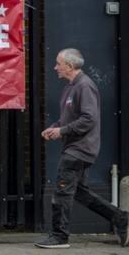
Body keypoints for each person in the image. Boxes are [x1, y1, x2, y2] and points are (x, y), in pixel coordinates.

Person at [35, 48, 129, 249]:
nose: (55, 67)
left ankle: (59, 237)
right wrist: (55, 128)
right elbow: (68, 118)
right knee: (79, 192)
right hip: (75, 147)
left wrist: (63, 131)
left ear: (69, 66)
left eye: (58, 63)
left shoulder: (85, 86)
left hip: (80, 149)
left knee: (61, 192)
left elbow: (88, 119)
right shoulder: (70, 87)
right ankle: (120, 218)